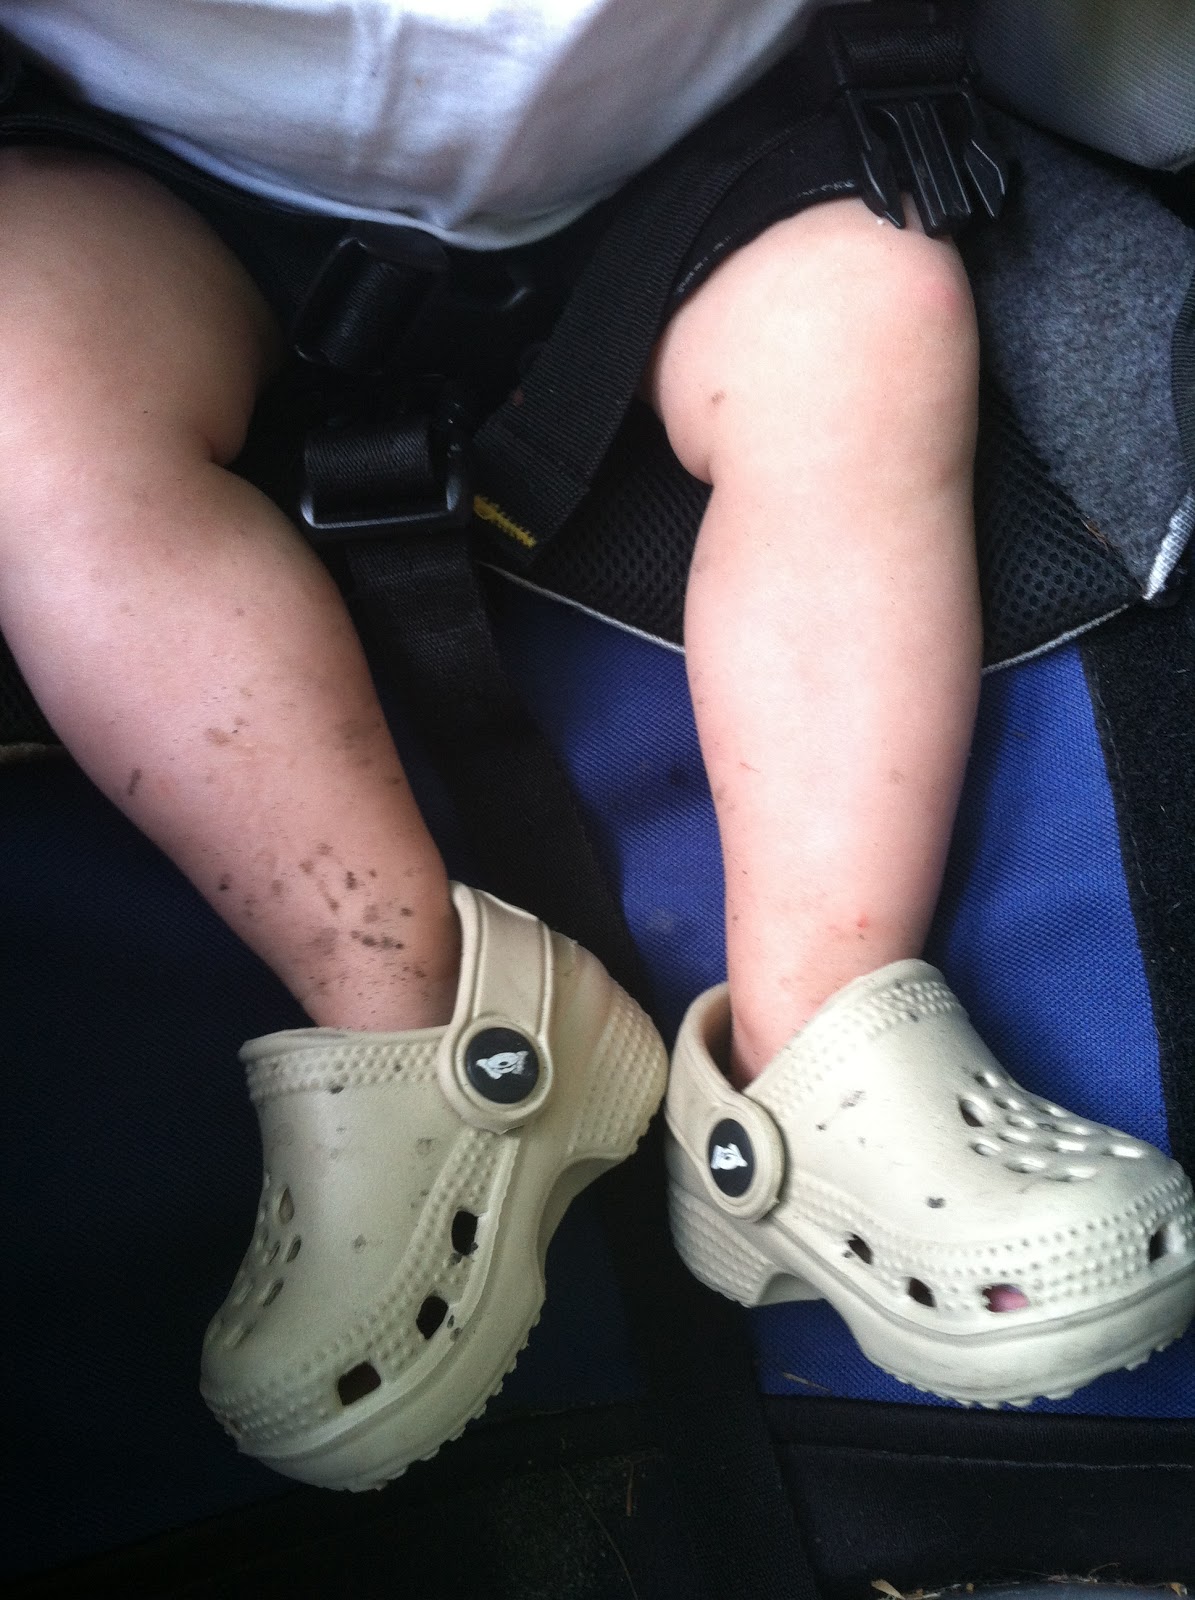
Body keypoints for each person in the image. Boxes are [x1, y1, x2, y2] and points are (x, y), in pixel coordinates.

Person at [0, 0, 1192, 1489]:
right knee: (24, 396)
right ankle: (407, 1012)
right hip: (170, 166)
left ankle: (804, 1048)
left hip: (682, 149)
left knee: (871, 311)